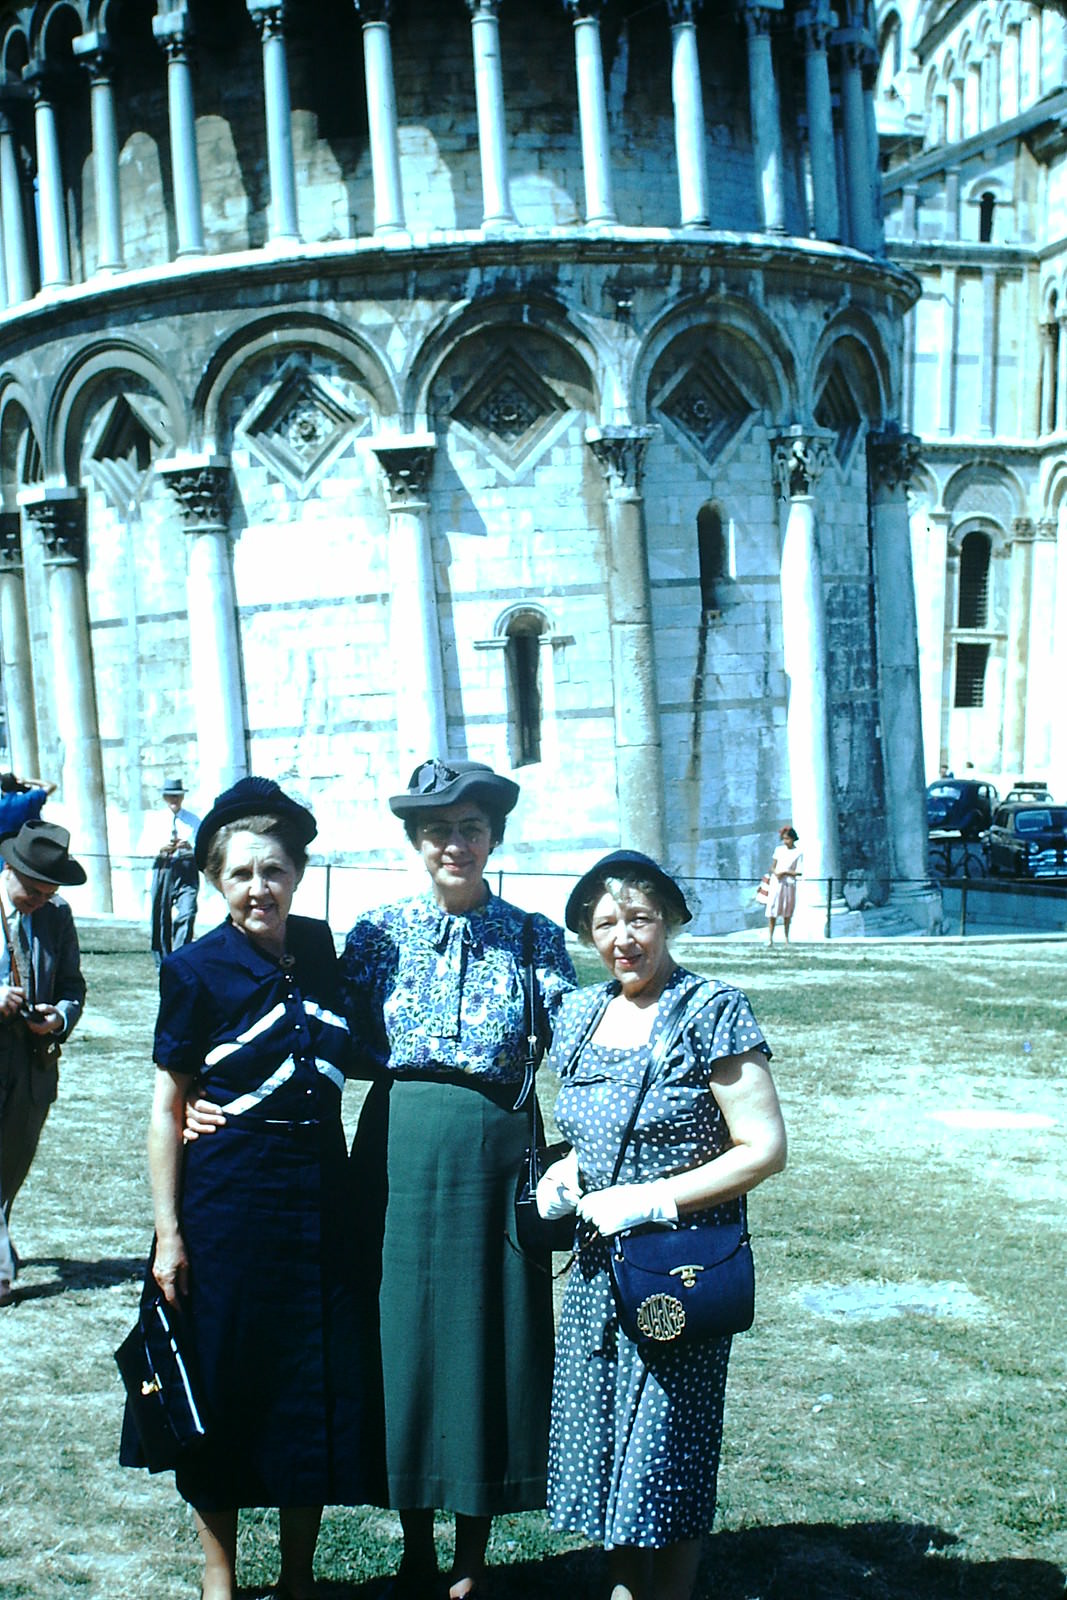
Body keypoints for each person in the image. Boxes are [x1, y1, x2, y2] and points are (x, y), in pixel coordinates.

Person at [122, 777, 382, 1600]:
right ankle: (219, 1574)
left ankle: (300, 1574)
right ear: (214, 883)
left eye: (273, 870)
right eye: (238, 875)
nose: (257, 889)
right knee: (225, 1378)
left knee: (314, 1376)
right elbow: (169, 1107)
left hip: (321, 1198)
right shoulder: (196, 969)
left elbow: (360, 1050)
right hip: (228, 1201)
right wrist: (169, 1233)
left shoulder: (320, 948)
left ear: (298, 873)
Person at [342, 758, 576, 1600]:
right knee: (401, 1336)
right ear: (415, 840)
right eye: (438, 829)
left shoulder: (532, 935)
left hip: (494, 1147)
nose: (455, 843)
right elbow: (325, 1042)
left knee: (488, 1335)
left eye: (471, 828)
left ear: (494, 839)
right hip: (398, 1146)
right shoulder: (373, 933)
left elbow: (579, 1041)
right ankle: (413, 1543)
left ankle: (472, 1555)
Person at [537, 849, 786, 1600]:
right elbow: (593, 1127)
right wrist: (568, 1172)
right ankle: (621, 1586)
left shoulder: (712, 1009)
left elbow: (764, 1149)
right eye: (605, 923)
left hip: (679, 1266)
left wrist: (653, 1199)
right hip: (595, 1269)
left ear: (671, 921)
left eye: (639, 918)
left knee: (668, 1441)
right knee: (606, 1430)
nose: (623, 937)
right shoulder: (579, 1014)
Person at [0, 821, 86, 1308]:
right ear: (9, 868)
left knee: (11, 1165)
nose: (39, 900)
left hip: (33, 1066)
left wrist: (59, 1017)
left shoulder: (57, 916)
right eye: (32, 891)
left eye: (48, 892)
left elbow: (74, 985)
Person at [150, 777, 200, 969]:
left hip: (187, 867)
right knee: (160, 914)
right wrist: (162, 847)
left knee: (187, 912)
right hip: (163, 867)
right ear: (164, 797)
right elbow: (144, 846)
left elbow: (203, 846)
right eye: (170, 796)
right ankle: (162, 960)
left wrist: (189, 847)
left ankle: (182, 956)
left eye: (177, 796)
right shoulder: (155, 820)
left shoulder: (193, 820)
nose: (174, 800)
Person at [765, 824, 802, 946]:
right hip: (777, 883)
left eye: (788, 838)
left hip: (789, 884)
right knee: (773, 910)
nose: (786, 841)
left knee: (787, 912)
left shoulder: (798, 852)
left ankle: (786, 938)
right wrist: (776, 873)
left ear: (793, 838)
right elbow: (773, 866)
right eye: (784, 838)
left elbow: (799, 871)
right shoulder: (779, 850)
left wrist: (785, 872)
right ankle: (770, 938)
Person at [0, 772, 55, 840]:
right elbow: (51, 786)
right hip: (32, 844)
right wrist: (26, 781)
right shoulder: (30, 798)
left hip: (5, 846)